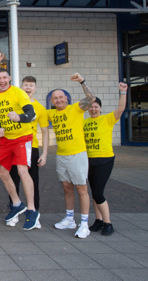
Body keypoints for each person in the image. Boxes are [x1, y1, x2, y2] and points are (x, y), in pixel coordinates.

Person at [48, 73, 96, 239]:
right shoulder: (51, 114)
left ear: (66, 99)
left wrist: (82, 81)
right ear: (52, 101)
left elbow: (91, 97)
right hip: (61, 155)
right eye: (56, 98)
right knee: (66, 188)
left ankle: (84, 224)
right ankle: (69, 219)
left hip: (77, 155)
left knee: (81, 189)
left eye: (61, 97)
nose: (59, 100)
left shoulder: (76, 108)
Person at [0, 67, 39, 230]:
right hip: (6, 139)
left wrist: (19, 118)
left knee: (22, 171)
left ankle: (32, 209)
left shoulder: (18, 92)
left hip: (22, 138)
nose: (2, 81)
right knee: (2, 172)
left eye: (4, 77)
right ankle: (17, 204)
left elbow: (31, 114)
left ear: (9, 78)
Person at [84, 82, 127, 236]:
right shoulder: (85, 123)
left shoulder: (108, 119)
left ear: (100, 108)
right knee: (94, 191)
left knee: (98, 193)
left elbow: (121, 109)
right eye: (91, 106)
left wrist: (123, 92)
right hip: (89, 160)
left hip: (105, 160)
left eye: (96, 106)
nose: (93, 109)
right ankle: (99, 220)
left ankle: (108, 223)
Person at [6, 76, 48, 227]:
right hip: (14, 146)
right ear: (21, 87)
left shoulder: (40, 109)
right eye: (25, 85)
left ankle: (34, 212)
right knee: (13, 178)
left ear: (35, 88)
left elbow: (45, 131)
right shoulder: (15, 104)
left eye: (31, 85)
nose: (28, 87)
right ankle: (14, 211)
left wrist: (44, 153)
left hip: (32, 147)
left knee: (32, 180)